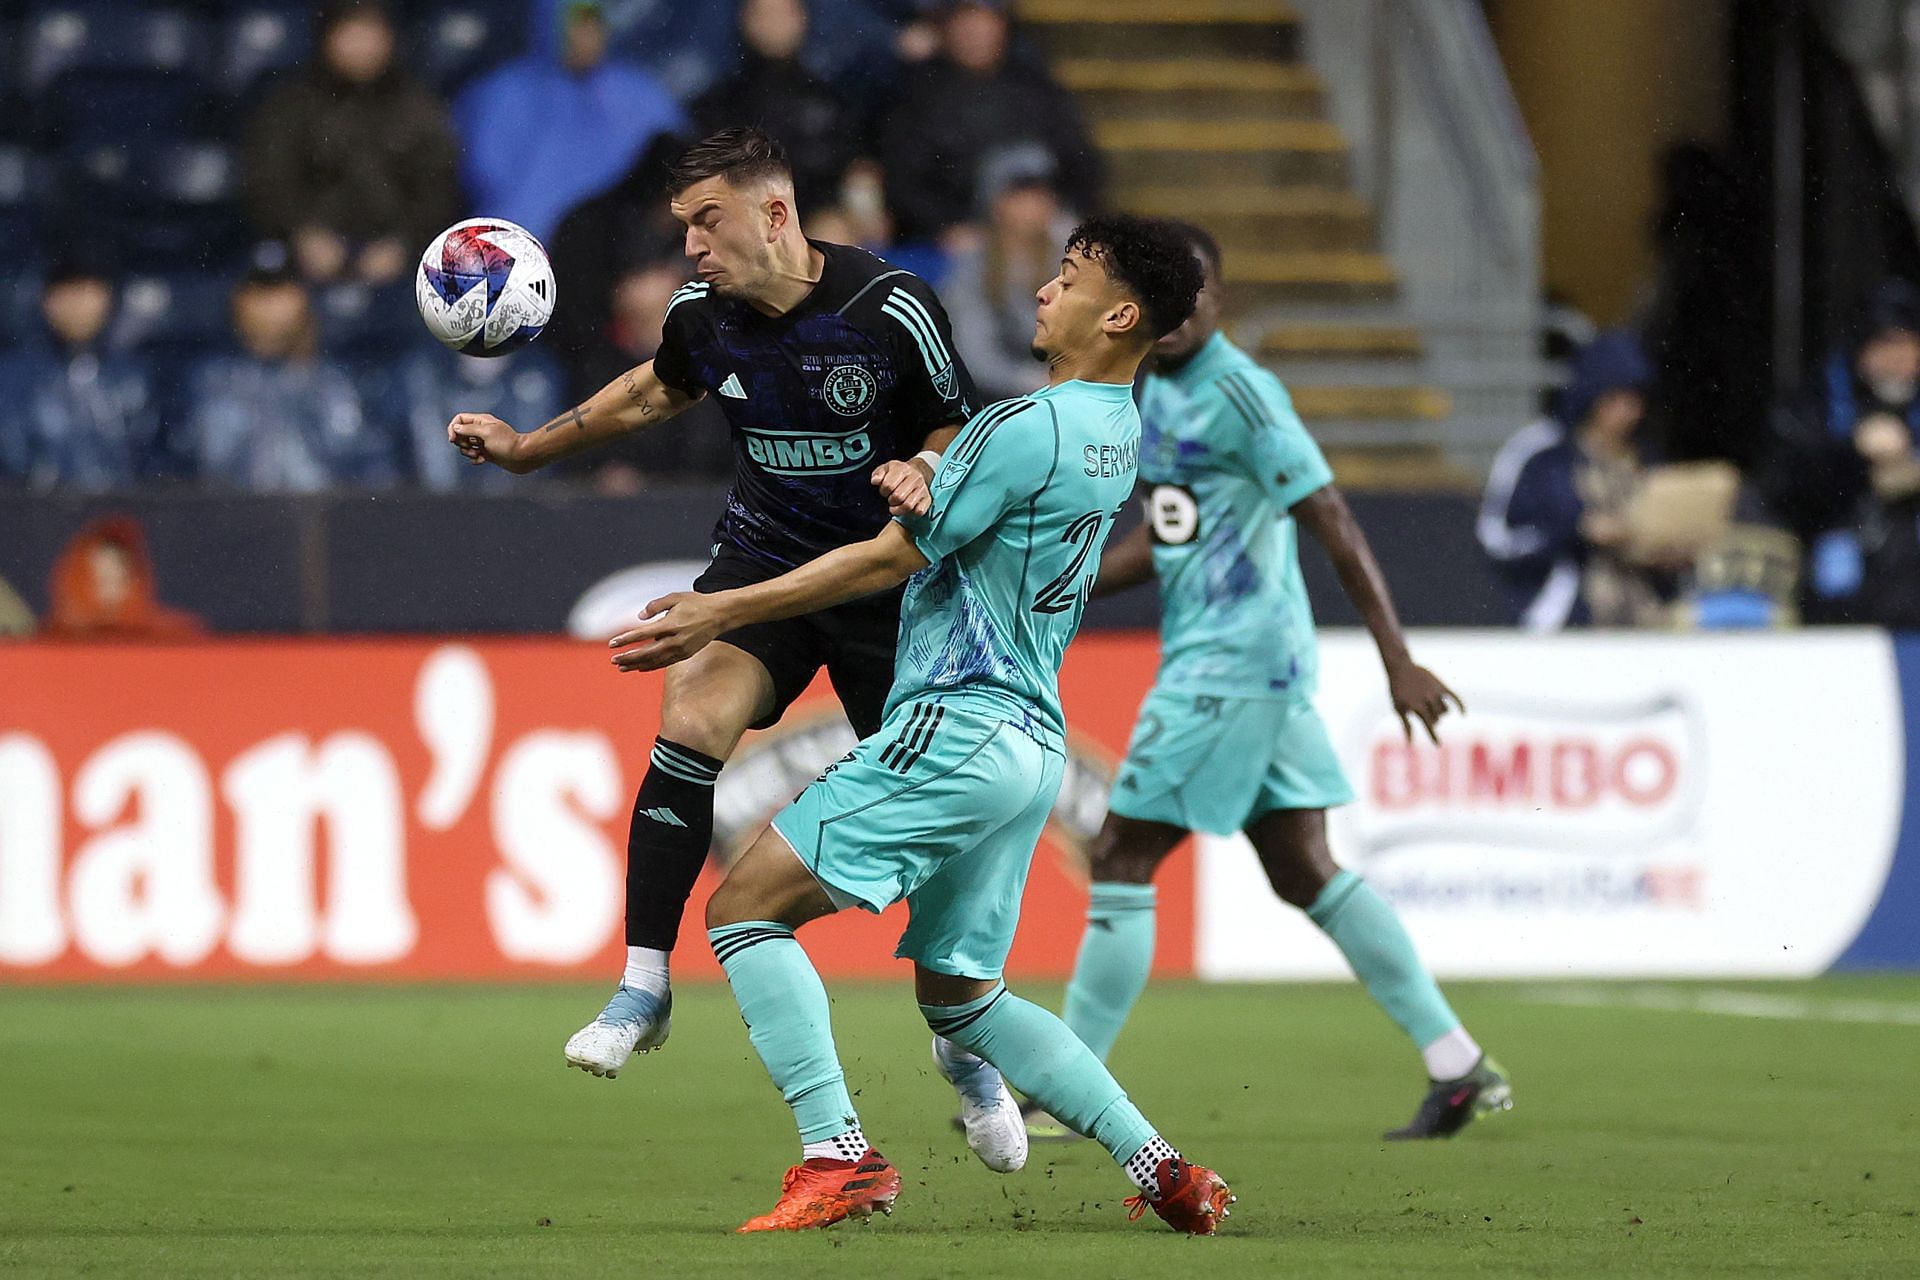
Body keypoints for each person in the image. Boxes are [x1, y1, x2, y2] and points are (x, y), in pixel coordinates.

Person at [609, 215, 1229, 1234]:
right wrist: (931, 475)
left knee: (743, 910)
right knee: (964, 998)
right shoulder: (1114, 430)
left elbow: (891, 559)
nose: (1042, 290)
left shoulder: (1024, 425)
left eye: (1068, 278)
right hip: (1030, 744)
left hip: (959, 720)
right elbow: (980, 511)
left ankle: (838, 1154)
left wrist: (725, 607)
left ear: (1119, 313)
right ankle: (1159, 1163)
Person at [444, 129, 974, 1079]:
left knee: (922, 814)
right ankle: (645, 981)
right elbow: (653, 393)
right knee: (690, 717)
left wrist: (925, 463)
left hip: (885, 584)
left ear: (775, 215)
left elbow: (953, 419)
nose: (690, 245)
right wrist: (529, 448)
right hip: (761, 562)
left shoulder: (891, 308)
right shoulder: (703, 314)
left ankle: (962, 1028)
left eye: (707, 221)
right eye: (684, 224)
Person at [1046, 225, 1506, 1142]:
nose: (1178, 310)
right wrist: (1074, 580)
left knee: (1121, 856)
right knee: (1305, 870)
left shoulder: (1243, 395)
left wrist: (1397, 657)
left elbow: (1330, 516)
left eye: (1194, 291)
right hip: (1248, 664)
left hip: (1233, 662)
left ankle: (1060, 1087)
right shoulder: (1157, 391)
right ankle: (1459, 1066)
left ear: (1217, 297)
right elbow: (1175, 533)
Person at [243, 0, 461, 285]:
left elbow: (438, 190)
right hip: (302, 257)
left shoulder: (420, 106)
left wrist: (404, 245)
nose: (361, 45)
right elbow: (269, 181)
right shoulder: (289, 105)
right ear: (327, 37)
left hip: (404, 262)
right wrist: (302, 233)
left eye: (371, 32)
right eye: (350, 33)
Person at [455, 0, 688, 242]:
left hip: (622, 248)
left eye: (595, 20)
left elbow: (676, 170)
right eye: (577, 22)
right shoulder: (503, 95)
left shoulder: (640, 94)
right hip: (523, 246)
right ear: (552, 24)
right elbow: (483, 178)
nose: (589, 33)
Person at [1477, 331, 1663, 630]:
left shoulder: (1645, 457)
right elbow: (1498, 538)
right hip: (1562, 624)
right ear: (1592, 396)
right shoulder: (1541, 453)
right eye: (1615, 398)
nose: (1629, 412)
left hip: (1642, 619)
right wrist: (1577, 531)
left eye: (1635, 399)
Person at [881, 0, 1103, 245]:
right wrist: (944, 226)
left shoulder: (1036, 87)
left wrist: (1050, 206)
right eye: (965, 21)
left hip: (1045, 228)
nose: (975, 32)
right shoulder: (917, 93)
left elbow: (1081, 163)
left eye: (984, 20)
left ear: (1002, 26)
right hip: (959, 236)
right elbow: (904, 181)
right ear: (946, 28)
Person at [184, 262, 405, 492]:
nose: (269, 308)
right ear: (237, 302)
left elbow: (376, 473)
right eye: (260, 291)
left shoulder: (341, 383)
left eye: (279, 290)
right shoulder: (210, 382)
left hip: (329, 520)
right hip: (229, 520)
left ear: (304, 299)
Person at [0, 259, 160, 490]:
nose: (77, 306)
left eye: (88, 292)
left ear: (108, 299)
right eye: (65, 293)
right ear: (45, 300)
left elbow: (154, 460)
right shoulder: (12, 378)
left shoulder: (137, 377)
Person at [690, 0, 858, 209]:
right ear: (745, 19)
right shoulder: (717, 105)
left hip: (815, 222)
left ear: (802, 18)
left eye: (783, 12)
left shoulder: (833, 102)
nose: (774, 23)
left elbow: (850, 171)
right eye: (764, 13)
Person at [939, 153, 1074, 402]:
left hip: (1070, 390)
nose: (1034, 204)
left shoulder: (1073, 254)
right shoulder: (973, 265)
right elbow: (974, 353)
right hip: (997, 399)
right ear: (996, 202)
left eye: (1041, 193)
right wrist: (1029, 380)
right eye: (1020, 195)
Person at [40, 516, 203, 640]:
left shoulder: (172, 637)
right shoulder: (50, 640)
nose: (111, 577)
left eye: (120, 567)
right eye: (100, 574)